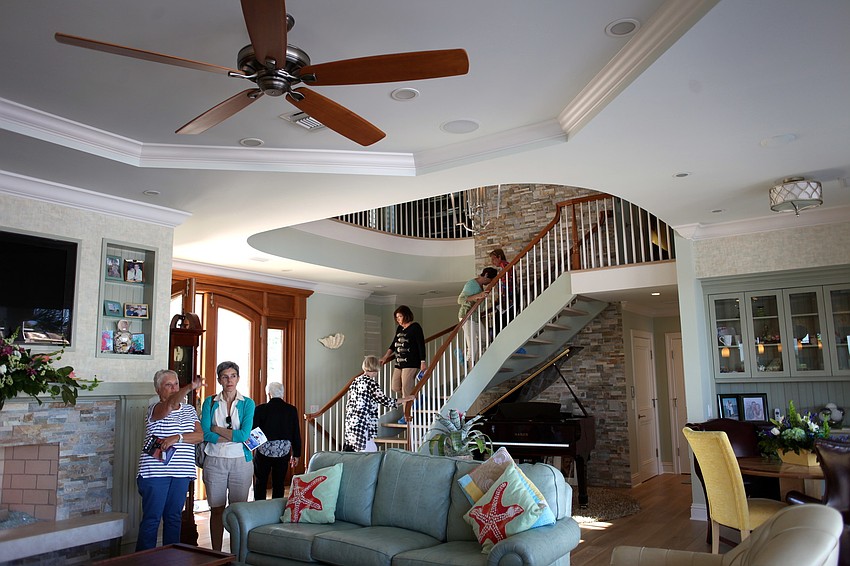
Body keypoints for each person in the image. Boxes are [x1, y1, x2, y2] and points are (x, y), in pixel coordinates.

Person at [136, 369, 202, 551]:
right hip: (155, 473)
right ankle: (142, 561)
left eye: (176, 384)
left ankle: (171, 560)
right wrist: (190, 387)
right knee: (152, 518)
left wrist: (177, 437)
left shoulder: (189, 410)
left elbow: (199, 436)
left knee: (174, 517)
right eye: (168, 385)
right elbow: (171, 404)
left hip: (181, 472)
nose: (174, 389)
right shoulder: (155, 409)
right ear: (158, 390)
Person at [200, 361, 256, 551]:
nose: (229, 380)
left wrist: (217, 429)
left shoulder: (247, 403)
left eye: (233, 376)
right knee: (216, 510)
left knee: (237, 511)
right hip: (214, 461)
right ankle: (216, 553)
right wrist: (226, 435)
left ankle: (236, 554)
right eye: (225, 376)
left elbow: (244, 436)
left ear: (238, 378)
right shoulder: (209, 402)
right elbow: (205, 434)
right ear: (219, 380)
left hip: (241, 461)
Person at [344, 356, 414, 452]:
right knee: (368, 451)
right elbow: (385, 400)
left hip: (351, 422)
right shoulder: (371, 384)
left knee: (353, 451)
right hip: (364, 423)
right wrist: (406, 399)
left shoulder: (355, 381)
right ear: (376, 368)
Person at [252, 381, 301, 500]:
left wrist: (250, 450)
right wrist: (296, 454)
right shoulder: (291, 410)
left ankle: (259, 508)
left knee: (260, 481)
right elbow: (295, 433)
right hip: (283, 451)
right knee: (279, 482)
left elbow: (254, 431)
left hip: (264, 451)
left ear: (269, 394)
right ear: (282, 394)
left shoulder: (260, 409)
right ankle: (276, 509)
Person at [379, 305, 427, 399]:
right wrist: (385, 356)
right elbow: (394, 344)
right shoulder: (399, 329)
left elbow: (421, 345)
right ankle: (415, 397)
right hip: (399, 362)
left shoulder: (415, 327)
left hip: (411, 363)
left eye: (400, 316)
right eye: (397, 317)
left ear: (406, 315)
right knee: (395, 387)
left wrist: (422, 361)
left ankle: (407, 412)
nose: (398, 319)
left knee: (406, 389)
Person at [458, 267, 497, 365]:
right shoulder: (471, 284)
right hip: (466, 316)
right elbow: (460, 300)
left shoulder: (480, 287)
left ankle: (466, 353)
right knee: (473, 345)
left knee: (485, 339)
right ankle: (469, 367)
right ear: (486, 275)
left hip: (475, 318)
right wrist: (478, 296)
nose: (489, 283)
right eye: (490, 280)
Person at [489, 248, 513, 329]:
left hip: (508, 296)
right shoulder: (505, 266)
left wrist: (503, 296)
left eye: (493, 259)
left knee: (501, 322)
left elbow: (506, 283)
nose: (492, 262)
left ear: (499, 257)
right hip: (507, 295)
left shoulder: (505, 266)